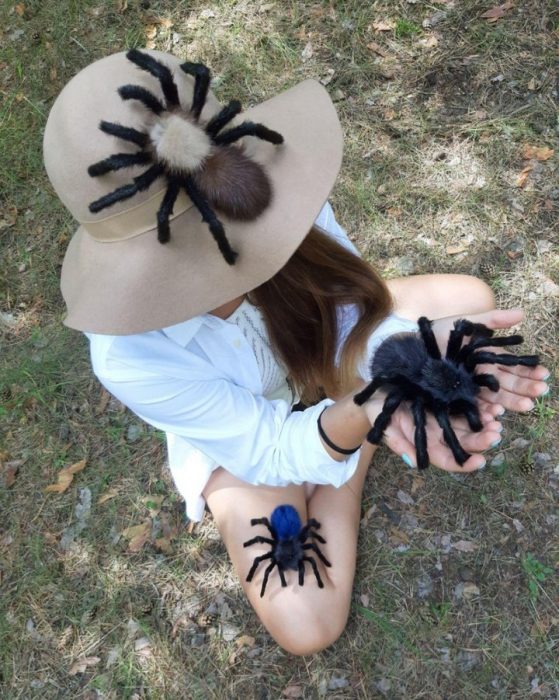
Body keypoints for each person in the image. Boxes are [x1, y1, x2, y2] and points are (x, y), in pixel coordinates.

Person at [43, 49, 549, 655]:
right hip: (245, 430)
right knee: (306, 622)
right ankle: (353, 457)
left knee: (468, 301)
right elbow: (266, 448)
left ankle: (345, 448)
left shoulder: (284, 190)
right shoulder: (130, 357)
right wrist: (369, 412)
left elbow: (346, 319)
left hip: (319, 355)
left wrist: (399, 364)